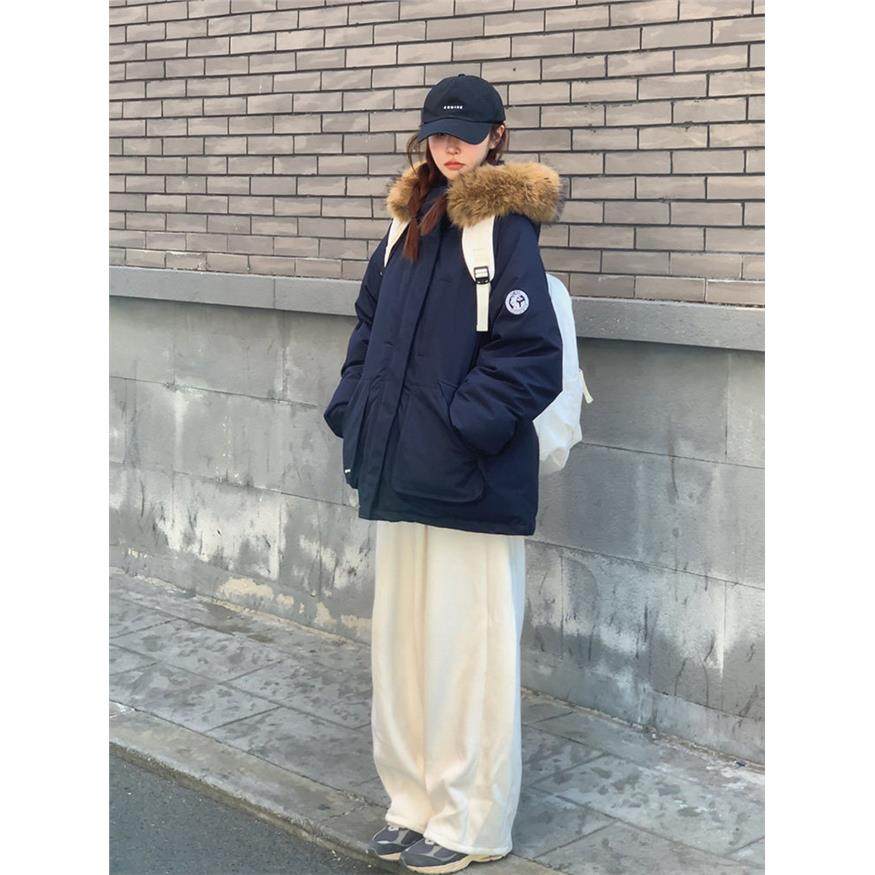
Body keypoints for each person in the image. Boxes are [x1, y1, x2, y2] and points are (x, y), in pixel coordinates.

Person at [323, 73, 565, 874]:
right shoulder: (403, 223)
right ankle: (412, 802)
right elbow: (367, 328)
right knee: (403, 649)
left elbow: (531, 358)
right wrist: (352, 406)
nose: (449, 146)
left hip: (468, 478)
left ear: (497, 136)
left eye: (465, 133)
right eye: (438, 132)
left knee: (470, 656)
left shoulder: (504, 228)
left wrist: (460, 430)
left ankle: (469, 820)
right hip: (398, 471)